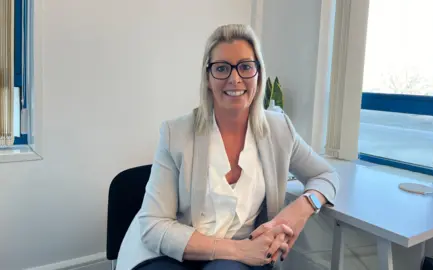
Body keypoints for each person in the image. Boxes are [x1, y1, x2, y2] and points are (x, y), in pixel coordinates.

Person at [116, 23, 340, 270]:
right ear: (208, 78)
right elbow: (154, 224)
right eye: (222, 68)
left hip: (240, 258)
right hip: (174, 251)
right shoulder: (175, 133)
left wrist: (301, 209)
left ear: (258, 74)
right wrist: (239, 250)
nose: (235, 78)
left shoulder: (279, 129)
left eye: (245, 67)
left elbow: (326, 174)